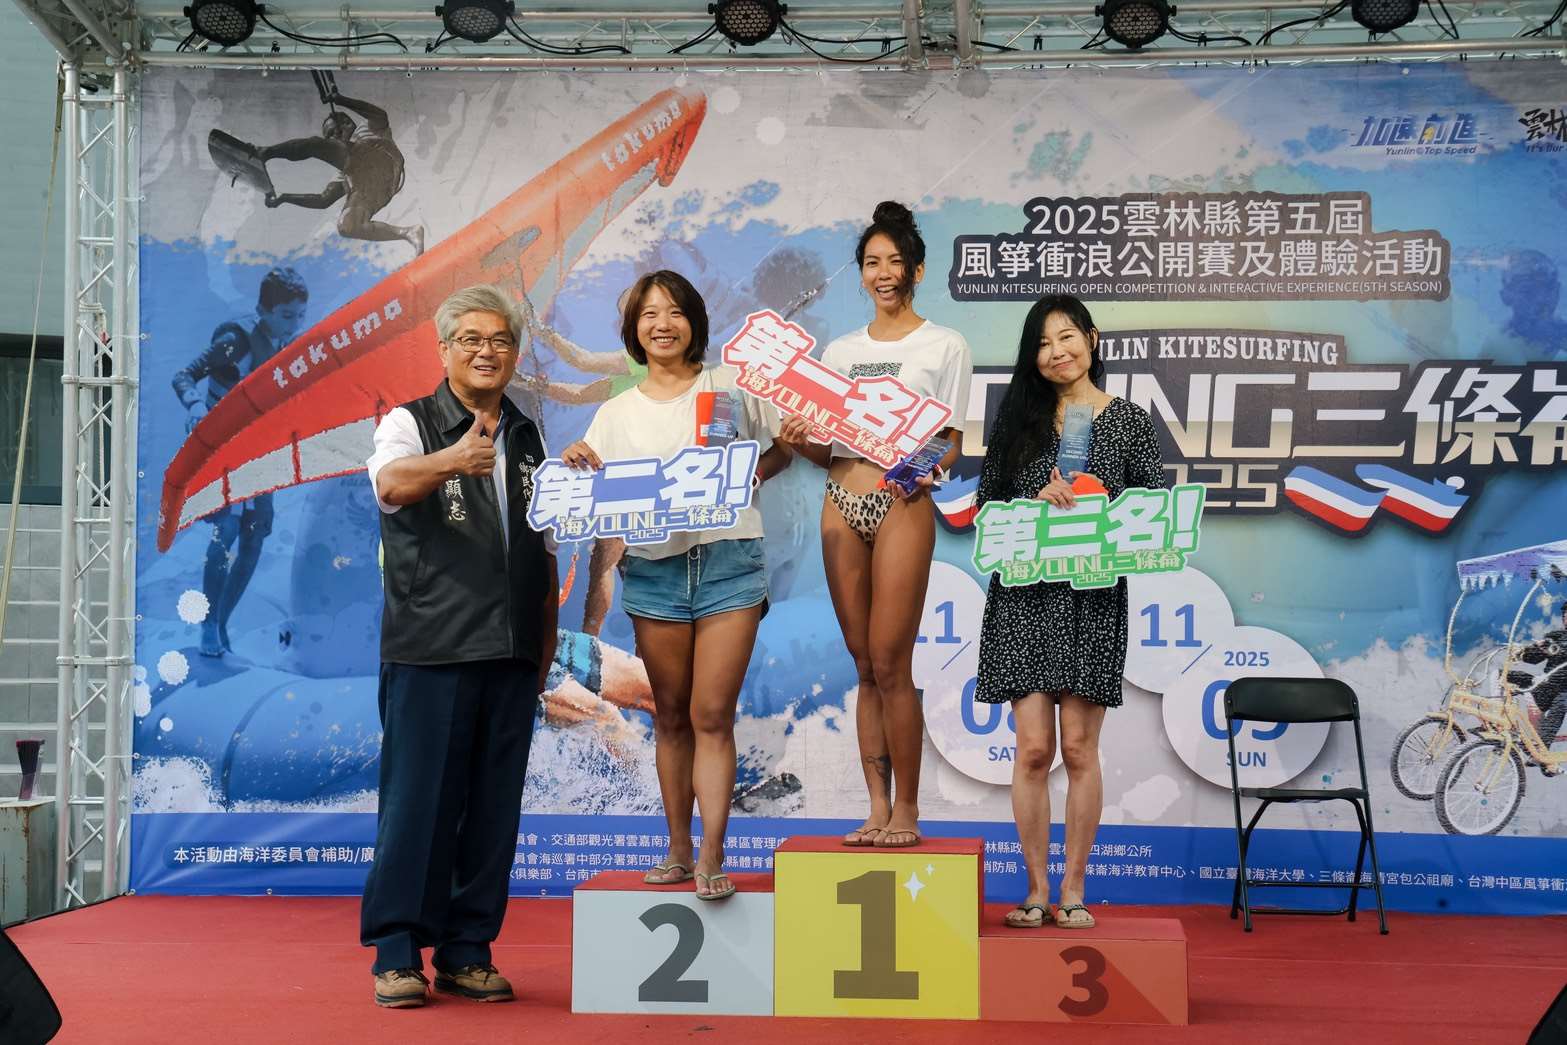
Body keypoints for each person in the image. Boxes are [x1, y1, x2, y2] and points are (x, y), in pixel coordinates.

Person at [559, 270, 791, 900]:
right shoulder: (614, 414)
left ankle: (713, 853)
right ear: (634, 330)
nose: (662, 324)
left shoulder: (731, 385)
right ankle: (678, 850)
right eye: (649, 314)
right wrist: (579, 464)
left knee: (711, 713)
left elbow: (781, 450)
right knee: (671, 715)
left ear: (694, 321)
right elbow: (594, 494)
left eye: (675, 311)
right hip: (654, 571)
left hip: (728, 561)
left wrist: (748, 477)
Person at [359, 284, 558, 1008]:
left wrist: (544, 640)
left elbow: (544, 545)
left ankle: (467, 950)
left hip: (511, 651)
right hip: (432, 648)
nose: (486, 351)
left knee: (493, 808)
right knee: (417, 804)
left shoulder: (528, 433)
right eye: (471, 339)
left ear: (515, 353)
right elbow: (389, 484)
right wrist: (451, 459)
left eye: (500, 340)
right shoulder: (409, 422)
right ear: (443, 349)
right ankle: (397, 951)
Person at [778, 202, 971, 849]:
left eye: (894, 262)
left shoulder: (944, 345)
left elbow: (950, 441)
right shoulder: (841, 350)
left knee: (891, 659)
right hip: (841, 498)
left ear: (916, 269)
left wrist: (916, 470)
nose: (882, 273)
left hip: (902, 504)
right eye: (871, 263)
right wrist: (798, 441)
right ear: (860, 273)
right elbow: (829, 450)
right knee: (863, 663)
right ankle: (876, 806)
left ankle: (908, 808)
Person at [974, 294, 1164, 930]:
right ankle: (1034, 889)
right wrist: (1035, 497)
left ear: (1092, 338)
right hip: (1024, 597)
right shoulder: (1017, 422)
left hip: (1092, 597)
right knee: (1033, 750)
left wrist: (1104, 505)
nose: (1057, 352)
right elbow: (984, 506)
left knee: (1080, 749)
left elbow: (1156, 511)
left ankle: (1074, 890)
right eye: (1043, 344)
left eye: (1067, 337)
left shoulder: (1129, 421)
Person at [172, 267, 310, 657]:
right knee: (228, 528)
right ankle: (208, 625)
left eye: (300, 315)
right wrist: (195, 406)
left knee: (255, 534)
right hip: (222, 449)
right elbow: (184, 376)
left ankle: (220, 622)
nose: (295, 324)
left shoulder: (291, 347)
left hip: (257, 452)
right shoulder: (235, 341)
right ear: (263, 310)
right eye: (287, 315)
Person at [258, 89, 424, 255]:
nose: (334, 137)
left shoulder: (366, 128)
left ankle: (265, 152)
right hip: (378, 190)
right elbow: (324, 200)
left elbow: (380, 115)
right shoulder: (344, 172)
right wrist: (285, 198)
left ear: (347, 123)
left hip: (382, 162)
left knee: (317, 145)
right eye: (329, 137)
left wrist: (341, 100)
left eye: (334, 131)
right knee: (347, 226)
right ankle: (407, 232)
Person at [1518, 601, 1567, 772]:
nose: (1566, 617)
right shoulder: (1556, 636)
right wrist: (1530, 651)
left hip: (1564, 692)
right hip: (1548, 686)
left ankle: (1541, 751)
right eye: (1565, 614)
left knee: (1561, 702)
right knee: (1503, 676)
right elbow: (1532, 659)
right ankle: (1500, 728)